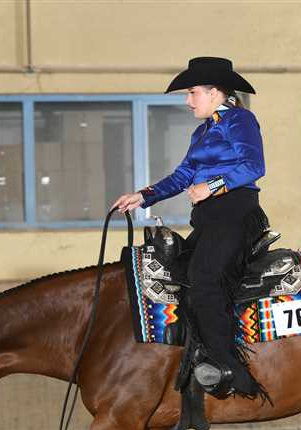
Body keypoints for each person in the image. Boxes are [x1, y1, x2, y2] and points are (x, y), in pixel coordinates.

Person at [113, 57, 267, 399]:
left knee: (205, 279)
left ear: (214, 92)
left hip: (234, 213)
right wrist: (144, 196)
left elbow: (254, 165)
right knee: (180, 274)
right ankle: (197, 354)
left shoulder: (240, 120)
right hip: (210, 220)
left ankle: (229, 369)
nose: (188, 100)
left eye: (193, 92)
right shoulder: (203, 132)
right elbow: (183, 175)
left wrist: (211, 187)